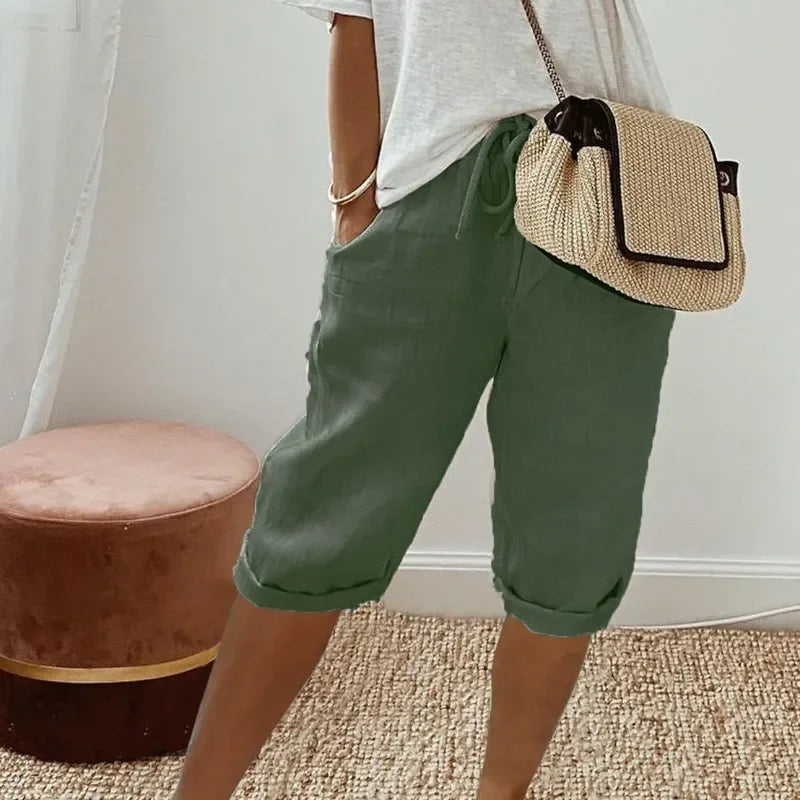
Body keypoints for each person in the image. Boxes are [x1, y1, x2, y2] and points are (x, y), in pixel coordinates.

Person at [174, 2, 675, 798]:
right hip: (434, 185)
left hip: (609, 187)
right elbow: (354, 17)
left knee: (574, 538)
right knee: (320, 510)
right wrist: (354, 204)